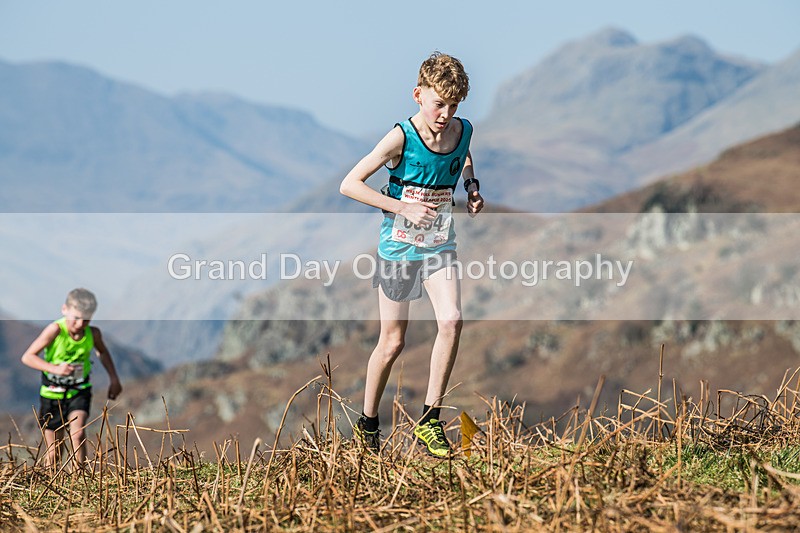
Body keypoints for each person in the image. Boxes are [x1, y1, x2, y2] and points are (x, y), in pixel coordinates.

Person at [340, 52, 484, 458]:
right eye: (439, 103)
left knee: (453, 321)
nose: (445, 114)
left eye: (454, 106)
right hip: (398, 248)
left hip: (440, 245)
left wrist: (471, 187)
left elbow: (464, 156)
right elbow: (349, 184)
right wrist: (402, 207)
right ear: (418, 95)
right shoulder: (401, 136)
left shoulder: (463, 129)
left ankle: (429, 420)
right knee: (393, 342)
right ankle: (368, 425)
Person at [21, 288, 122, 468]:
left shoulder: (93, 333)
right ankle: (47, 480)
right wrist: (55, 369)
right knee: (54, 451)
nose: (80, 323)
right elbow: (28, 357)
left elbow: (103, 352)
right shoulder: (55, 330)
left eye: (86, 319)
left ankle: (80, 477)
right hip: (52, 395)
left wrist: (114, 379)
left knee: (78, 434)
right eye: (76, 318)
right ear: (64, 309)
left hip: (79, 390)